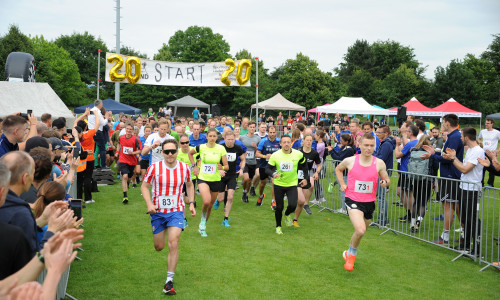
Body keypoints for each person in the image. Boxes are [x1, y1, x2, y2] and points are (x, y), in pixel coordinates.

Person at [142, 139, 196, 295]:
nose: (170, 154)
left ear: (177, 151)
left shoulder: (185, 168)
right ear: (162, 152)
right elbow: (144, 187)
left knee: (174, 242)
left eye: (173, 151)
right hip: (158, 212)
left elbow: (190, 185)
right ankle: (162, 232)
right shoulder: (154, 168)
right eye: (167, 152)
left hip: (177, 211)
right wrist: (149, 205)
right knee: (159, 247)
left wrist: (191, 203)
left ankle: (169, 281)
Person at [335, 133, 391, 271]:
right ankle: (351, 256)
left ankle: (348, 252)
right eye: (366, 145)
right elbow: (338, 169)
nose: (368, 148)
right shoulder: (350, 160)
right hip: (352, 199)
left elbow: (386, 178)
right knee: (359, 230)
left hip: (369, 202)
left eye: (372, 146)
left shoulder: (379, 163)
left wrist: (385, 182)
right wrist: (342, 184)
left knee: (363, 231)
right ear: (360, 145)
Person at [421, 114, 464, 245]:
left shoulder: (454, 137)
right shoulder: (453, 136)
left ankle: (445, 236)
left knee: (448, 206)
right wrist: (435, 153)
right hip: (451, 175)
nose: (442, 124)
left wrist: (432, 156)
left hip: (450, 176)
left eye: (443, 122)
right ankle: (464, 233)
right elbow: (446, 156)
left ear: (447, 123)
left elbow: (448, 159)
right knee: (456, 206)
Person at [443, 127, 484, 253]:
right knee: (465, 218)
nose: (460, 139)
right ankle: (465, 245)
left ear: (466, 138)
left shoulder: (478, 151)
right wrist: (453, 157)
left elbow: (465, 169)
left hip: (472, 189)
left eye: (461, 136)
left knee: (472, 218)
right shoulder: (471, 150)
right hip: (464, 187)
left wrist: (453, 158)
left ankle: (476, 249)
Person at [189, 128, 229, 237]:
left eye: (214, 136)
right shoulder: (201, 147)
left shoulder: (221, 148)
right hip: (203, 178)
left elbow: (227, 166)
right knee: (206, 201)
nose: (212, 138)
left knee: (210, 206)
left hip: (215, 179)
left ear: (217, 137)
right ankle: (202, 221)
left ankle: (203, 226)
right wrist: (194, 167)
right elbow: (190, 154)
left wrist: (222, 167)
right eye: (210, 136)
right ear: (206, 137)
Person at [266, 135, 308, 235]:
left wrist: (305, 178)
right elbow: (267, 169)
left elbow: (304, 165)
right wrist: (273, 174)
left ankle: (287, 214)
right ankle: (278, 226)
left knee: (293, 205)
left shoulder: (298, 154)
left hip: (292, 184)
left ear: (291, 143)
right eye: (284, 142)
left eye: (288, 142)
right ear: (280, 144)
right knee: (279, 207)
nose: (286, 144)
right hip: (279, 184)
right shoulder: (275, 155)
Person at [216, 130, 245, 227]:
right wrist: (219, 170)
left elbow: (243, 159)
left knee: (230, 197)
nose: (230, 141)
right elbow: (214, 160)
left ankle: (226, 219)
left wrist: (241, 169)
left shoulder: (238, 148)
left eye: (232, 139)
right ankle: (217, 200)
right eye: (228, 139)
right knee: (220, 198)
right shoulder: (220, 148)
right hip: (221, 175)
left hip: (232, 175)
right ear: (224, 139)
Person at [293, 133, 321, 225]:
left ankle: (303, 207)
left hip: (305, 176)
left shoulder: (314, 153)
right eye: (307, 140)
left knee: (302, 201)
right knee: (298, 199)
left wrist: (317, 172)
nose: (309, 142)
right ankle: (292, 211)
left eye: (310, 140)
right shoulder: (297, 151)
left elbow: (318, 165)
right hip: (295, 176)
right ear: (303, 140)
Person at [394, 125, 419, 223]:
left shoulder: (410, 144)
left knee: (408, 195)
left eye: (408, 131)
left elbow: (397, 156)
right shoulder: (416, 142)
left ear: (411, 133)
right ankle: (409, 214)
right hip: (408, 171)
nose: (406, 133)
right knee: (400, 192)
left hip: (406, 172)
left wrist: (396, 146)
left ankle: (411, 215)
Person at [75, 108, 99, 203]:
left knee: (80, 179)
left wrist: (85, 114)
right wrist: (96, 114)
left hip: (80, 158)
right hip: (89, 158)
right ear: (85, 127)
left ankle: (79, 198)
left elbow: (76, 122)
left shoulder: (76, 133)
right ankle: (88, 198)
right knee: (88, 178)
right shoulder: (89, 134)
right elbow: (97, 125)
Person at [373, 125, 396, 226]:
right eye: (376, 132)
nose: (377, 134)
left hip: (383, 173)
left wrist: (372, 158)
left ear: (386, 134)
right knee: (380, 196)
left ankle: (382, 220)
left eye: (379, 132)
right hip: (382, 172)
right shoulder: (386, 142)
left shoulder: (386, 144)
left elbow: (381, 158)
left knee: (381, 197)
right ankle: (382, 219)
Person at [328, 134, 356, 213]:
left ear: (346, 141)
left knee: (344, 191)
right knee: (342, 190)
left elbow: (339, 158)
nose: (340, 141)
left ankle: (345, 208)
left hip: (345, 173)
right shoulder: (344, 147)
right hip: (341, 171)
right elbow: (338, 155)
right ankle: (345, 207)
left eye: (342, 140)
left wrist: (331, 152)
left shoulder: (349, 150)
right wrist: (333, 150)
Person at [256, 126, 280, 209]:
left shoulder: (279, 142)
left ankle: (273, 201)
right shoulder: (263, 141)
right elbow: (257, 154)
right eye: (271, 132)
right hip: (264, 165)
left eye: (274, 132)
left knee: (274, 182)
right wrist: (265, 156)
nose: (272, 134)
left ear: (276, 133)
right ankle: (261, 196)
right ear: (268, 132)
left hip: (274, 166)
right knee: (262, 183)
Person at [118, 122, 142, 204]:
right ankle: (125, 196)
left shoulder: (135, 139)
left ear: (132, 130)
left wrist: (133, 153)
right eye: (127, 129)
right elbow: (118, 144)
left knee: (129, 177)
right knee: (124, 176)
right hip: (122, 159)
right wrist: (117, 151)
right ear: (125, 129)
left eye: (130, 129)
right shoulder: (121, 137)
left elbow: (140, 150)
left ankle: (128, 183)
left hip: (132, 161)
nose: (128, 130)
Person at [239, 122, 261, 203]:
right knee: (246, 179)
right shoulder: (242, 138)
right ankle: (244, 191)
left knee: (249, 181)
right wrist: (240, 160)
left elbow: (260, 150)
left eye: (253, 127)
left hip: (253, 161)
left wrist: (256, 147)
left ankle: (245, 193)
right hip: (245, 161)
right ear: (248, 128)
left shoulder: (258, 139)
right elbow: (239, 149)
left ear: (255, 128)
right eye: (250, 127)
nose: (252, 129)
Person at [88, 100, 111, 169]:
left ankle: (94, 165)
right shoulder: (97, 111)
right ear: (100, 105)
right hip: (98, 131)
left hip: (91, 131)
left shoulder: (91, 110)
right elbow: (103, 123)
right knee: (102, 149)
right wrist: (106, 118)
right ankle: (103, 166)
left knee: (94, 149)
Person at [478, 118, 500, 187]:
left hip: (492, 154)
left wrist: (498, 150)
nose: (486, 124)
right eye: (486, 123)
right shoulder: (483, 131)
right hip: (483, 152)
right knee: (482, 168)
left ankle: (490, 184)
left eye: (487, 123)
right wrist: (480, 143)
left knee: (492, 169)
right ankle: (481, 183)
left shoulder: (497, 132)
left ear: (492, 124)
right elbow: (479, 139)